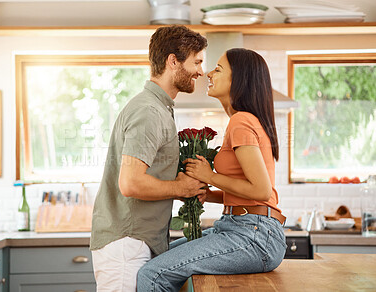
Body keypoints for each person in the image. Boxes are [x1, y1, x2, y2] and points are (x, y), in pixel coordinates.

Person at [137, 48, 287, 291]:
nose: (208, 73)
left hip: (254, 235)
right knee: (156, 263)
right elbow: (248, 191)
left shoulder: (242, 121)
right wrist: (212, 194)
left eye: (218, 69)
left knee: (152, 275)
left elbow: (261, 190)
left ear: (239, 79)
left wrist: (210, 176)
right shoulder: (242, 120)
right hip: (242, 227)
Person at [90, 25, 208, 292]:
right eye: (197, 62)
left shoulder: (158, 108)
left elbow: (147, 177)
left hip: (134, 243)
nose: (200, 71)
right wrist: (180, 188)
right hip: (126, 246)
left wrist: (185, 188)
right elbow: (130, 184)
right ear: (172, 61)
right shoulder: (149, 111)